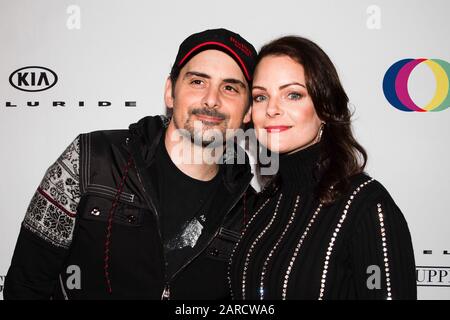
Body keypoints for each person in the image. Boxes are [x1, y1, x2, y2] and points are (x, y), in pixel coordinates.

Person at [5, 28, 258, 299]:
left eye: (230, 88)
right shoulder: (90, 160)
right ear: (170, 92)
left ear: (248, 111)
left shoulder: (253, 212)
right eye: (197, 82)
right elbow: (26, 286)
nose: (211, 99)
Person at [228, 36, 417, 300]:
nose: (272, 109)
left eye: (293, 94)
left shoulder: (366, 205)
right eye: (261, 97)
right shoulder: (264, 206)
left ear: (325, 107)